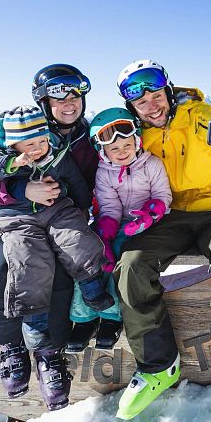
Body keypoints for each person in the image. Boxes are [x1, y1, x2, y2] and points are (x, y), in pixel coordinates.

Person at [114, 60, 211, 422]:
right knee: (131, 265)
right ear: (132, 107)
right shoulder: (136, 134)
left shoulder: (197, 113)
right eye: (141, 102)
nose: (151, 106)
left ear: (167, 91)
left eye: (155, 95)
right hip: (170, 215)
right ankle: (158, 366)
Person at [0, 64, 98, 402]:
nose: (69, 102)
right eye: (59, 94)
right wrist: (22, 190)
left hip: (57, 215)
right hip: (1, 215)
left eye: (76, 93)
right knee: (3, 263)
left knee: (62, 260)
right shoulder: (10, 129)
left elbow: (88, 183)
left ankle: (50, 354)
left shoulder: (87, 137)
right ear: (41, 99)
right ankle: (11, 349)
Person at [68, 108, 172, 352]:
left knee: (120, 256)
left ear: (137, 141)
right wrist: (104, 234)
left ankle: (112, 316)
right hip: (116, 222)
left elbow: (162, 195)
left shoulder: (152, 165)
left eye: (127, 145)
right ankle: (83, 317)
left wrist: (148, 215)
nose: (122, 152)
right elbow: (110, 207)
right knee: (89, 254)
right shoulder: (104, 172)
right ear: (103, 152)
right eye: (114, 149)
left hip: (149, 222)